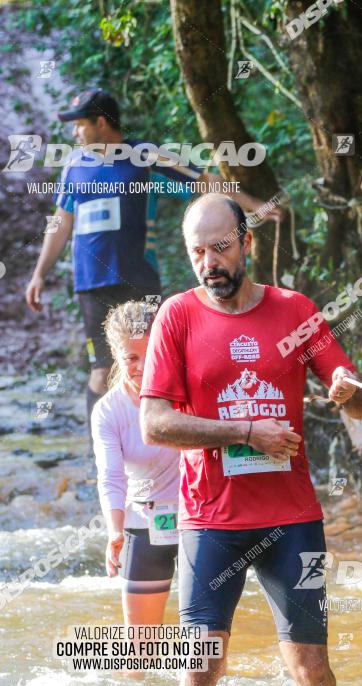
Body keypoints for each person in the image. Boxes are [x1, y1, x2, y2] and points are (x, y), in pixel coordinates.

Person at [140, 194, 362, 686]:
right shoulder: (177, 316)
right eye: (197, 252)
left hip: (292, 521)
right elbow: (155, 424)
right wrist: (247, 433)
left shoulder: (295, 310)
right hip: (210, 521)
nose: (209, 263)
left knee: (311, 668)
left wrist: (347, 393)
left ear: (247, 242)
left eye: (220, 248)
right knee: (199, 666)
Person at [24, 88, 282, 437]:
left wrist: (257, 206)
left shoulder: (143, 155)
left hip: (138, 279)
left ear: (101, 122)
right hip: (90, 284)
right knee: (101, 371)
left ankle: (164, 443)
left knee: (153, 363)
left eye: (79, 125)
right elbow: (61, 222)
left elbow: (205, 180)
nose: (74, 133)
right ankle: (102, 456)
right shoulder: (74, 166)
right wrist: (39, 274)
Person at [92, 300, 180, 625]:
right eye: (131, 357)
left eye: (150, 354)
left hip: (199, 522)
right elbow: (111, 478)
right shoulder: (108, 411)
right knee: (140, 653)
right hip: (144, 523)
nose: (142, 366)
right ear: (116, 355)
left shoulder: (187, 391)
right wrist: (115, 532)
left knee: (208, 644)